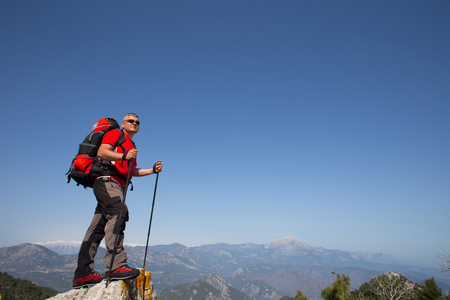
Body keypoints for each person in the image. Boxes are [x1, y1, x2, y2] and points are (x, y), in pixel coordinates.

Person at [72, 113, 163, 288]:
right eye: (131, 121)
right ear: (123, 123)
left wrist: (152, 170)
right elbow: (102, 152)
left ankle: (82, 274)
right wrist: (123, 156)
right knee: (118, 213)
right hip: (108, 180)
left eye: (137, 122)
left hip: (116, 184)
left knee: (98, 227)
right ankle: (116, 265)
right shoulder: (116, 134)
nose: (134, 123)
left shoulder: (131, 144)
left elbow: (131, 171)